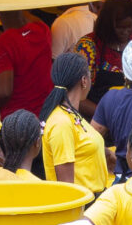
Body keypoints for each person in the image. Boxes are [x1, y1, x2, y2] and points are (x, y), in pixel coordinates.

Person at [40, 53, 111, 192]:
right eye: (90, 76)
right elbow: (68, 189)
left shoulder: (72, 115)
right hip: (83, 207)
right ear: (84, 81)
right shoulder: (61, 122)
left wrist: (105, 153)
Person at [0, 10, 54, 116]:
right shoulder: (42, 29)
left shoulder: (1, 45)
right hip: (48, 113)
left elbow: (4, 92)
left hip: (18, 121)